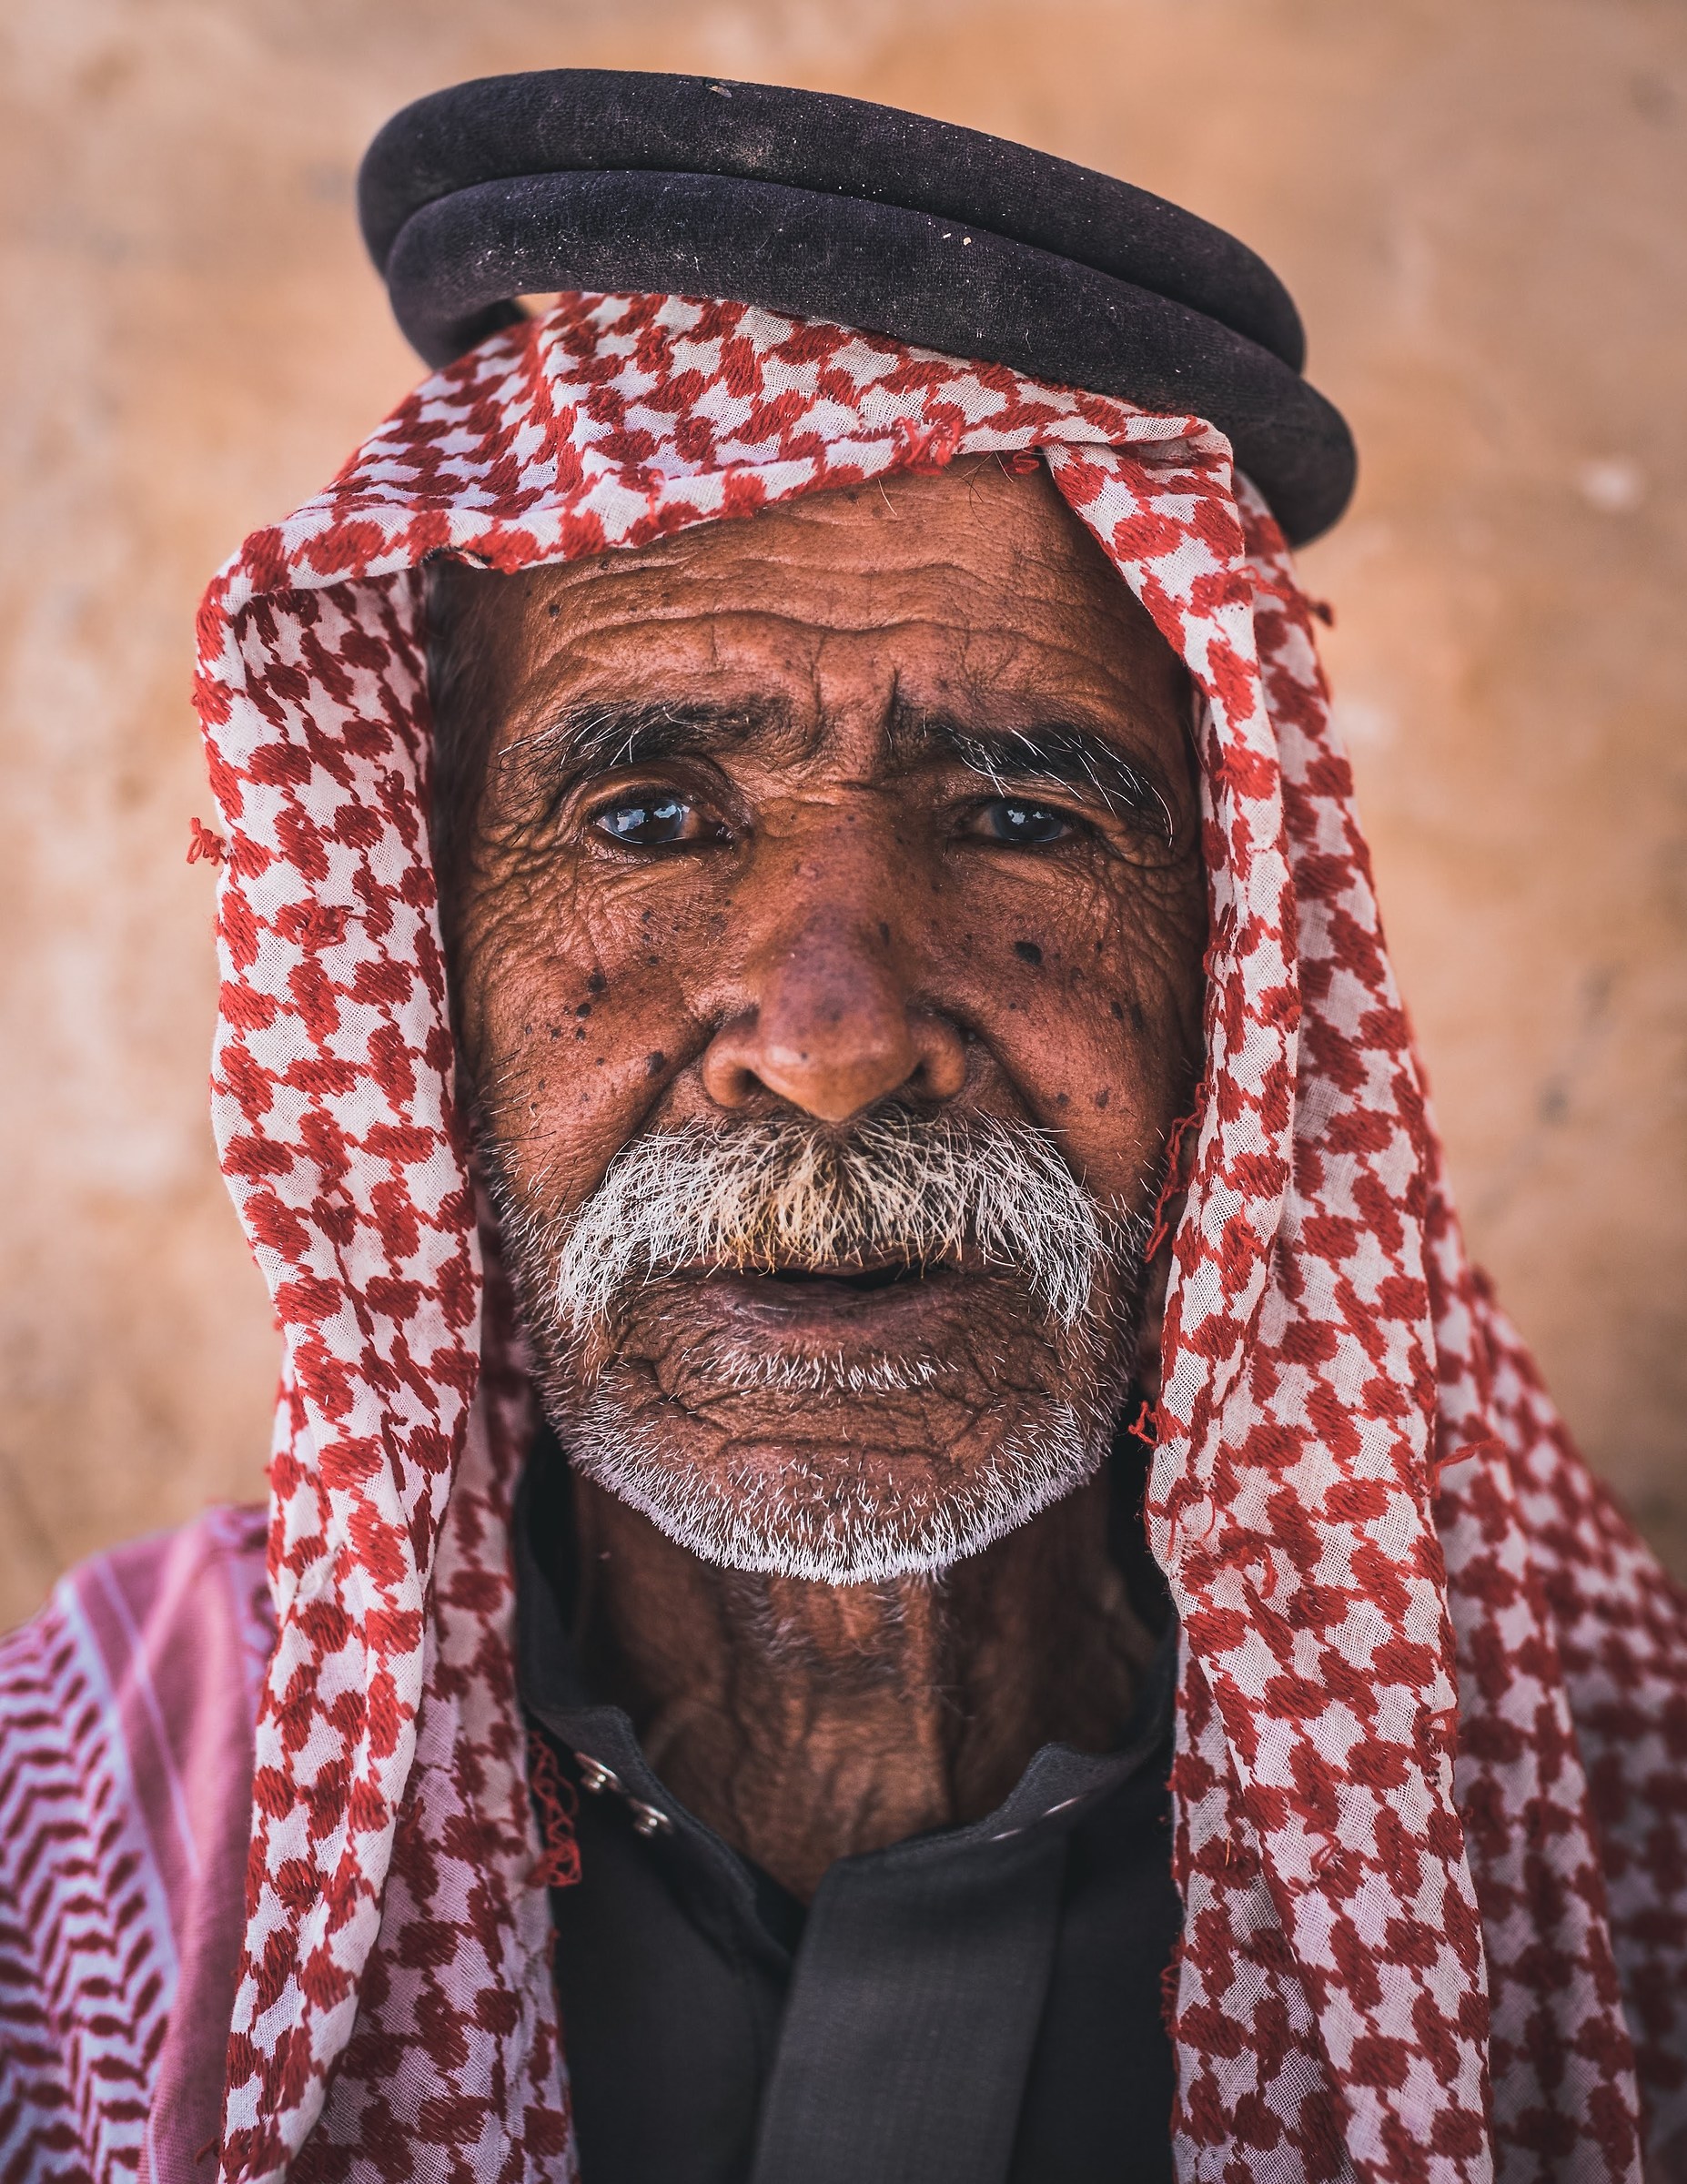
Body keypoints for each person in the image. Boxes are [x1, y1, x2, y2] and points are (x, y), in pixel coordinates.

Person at [1, 69, 1683, 2184]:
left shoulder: (1588, 1836)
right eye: (644, 818)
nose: (833, 1039)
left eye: (1018, 816)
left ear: (1232, 979)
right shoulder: (96, 1821)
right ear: (418, 962)